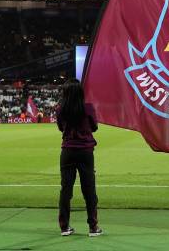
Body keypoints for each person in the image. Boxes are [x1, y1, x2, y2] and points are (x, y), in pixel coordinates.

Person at [56, 79, 102, 237]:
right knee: (89, 190)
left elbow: (61, 127)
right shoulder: (88, 108)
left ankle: (64, 227)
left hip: (68, 151)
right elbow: (94, 127)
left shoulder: (61, 109)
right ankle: (93, 227)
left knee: (66, 190)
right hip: (85, 151)